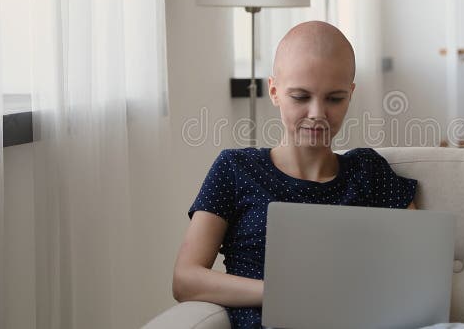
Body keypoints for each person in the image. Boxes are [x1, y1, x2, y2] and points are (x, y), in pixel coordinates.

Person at [172, 21, 418, 329]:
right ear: (274, 91)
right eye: (301, 97)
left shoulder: (368, 171)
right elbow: (185, 279)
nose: (317, 113)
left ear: (351, 95)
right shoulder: (235, 168)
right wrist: (283, 293)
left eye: (334, 98)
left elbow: (416, 271)